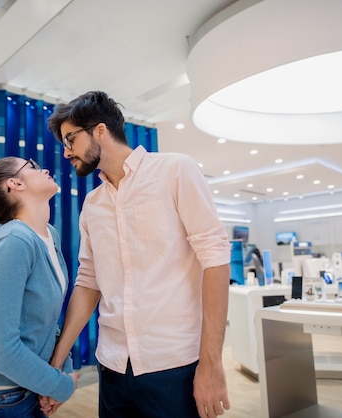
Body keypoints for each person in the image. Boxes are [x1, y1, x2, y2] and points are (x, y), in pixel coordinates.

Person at [45, 91, 231, 418]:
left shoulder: (176, 171)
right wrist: (56, 363)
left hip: (175, 365)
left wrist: (212, 363)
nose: (66, 152)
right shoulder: (93, 204)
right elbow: (88, 283)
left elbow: (215, 260)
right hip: (113, 366)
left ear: (100, 130)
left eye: (70, 139)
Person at [0, 156, 78, 418]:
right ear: (14, 183)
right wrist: (61, 385)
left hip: (25, 389)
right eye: (31, 166)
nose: (43, 168)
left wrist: (59, 371)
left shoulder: (48, 235)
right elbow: (1, 350)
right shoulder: (14, 241)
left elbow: (44, 324)